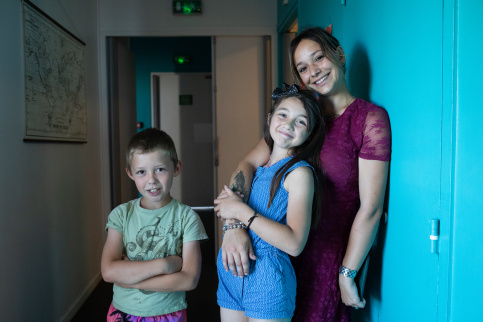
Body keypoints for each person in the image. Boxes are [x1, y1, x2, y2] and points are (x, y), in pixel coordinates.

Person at [219, 27, 392, 321]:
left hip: (325, 258)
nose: (314, 71)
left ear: (338, 55)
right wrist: (233, 226)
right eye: (303, 67)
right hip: (269, 251)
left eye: (319, 58)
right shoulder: (299, 121)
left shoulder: (368, 119)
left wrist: (347, 272)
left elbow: (371, 208)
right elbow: (246, 166)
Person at [214, 85, 325, 322]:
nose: (289, 124)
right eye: (283, 114)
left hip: (267, 276)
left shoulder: (300, 174)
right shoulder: (260, 165)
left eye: (301, 122)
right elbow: (241, 174)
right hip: (231, 267)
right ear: (270, 118)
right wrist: (232, 224)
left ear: (309, 133)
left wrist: (241, 211)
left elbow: (295, 243)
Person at [101, 128, 208, 322]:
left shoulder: (188, 218)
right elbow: (109, 272)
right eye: (141, 172)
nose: (151, 180)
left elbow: (189, 280)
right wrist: (166, 265)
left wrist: (129, 278)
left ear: (176, 168)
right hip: (122, 313)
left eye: (160, 169)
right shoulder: (121, 215)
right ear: (130, 174)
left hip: (168, 314)